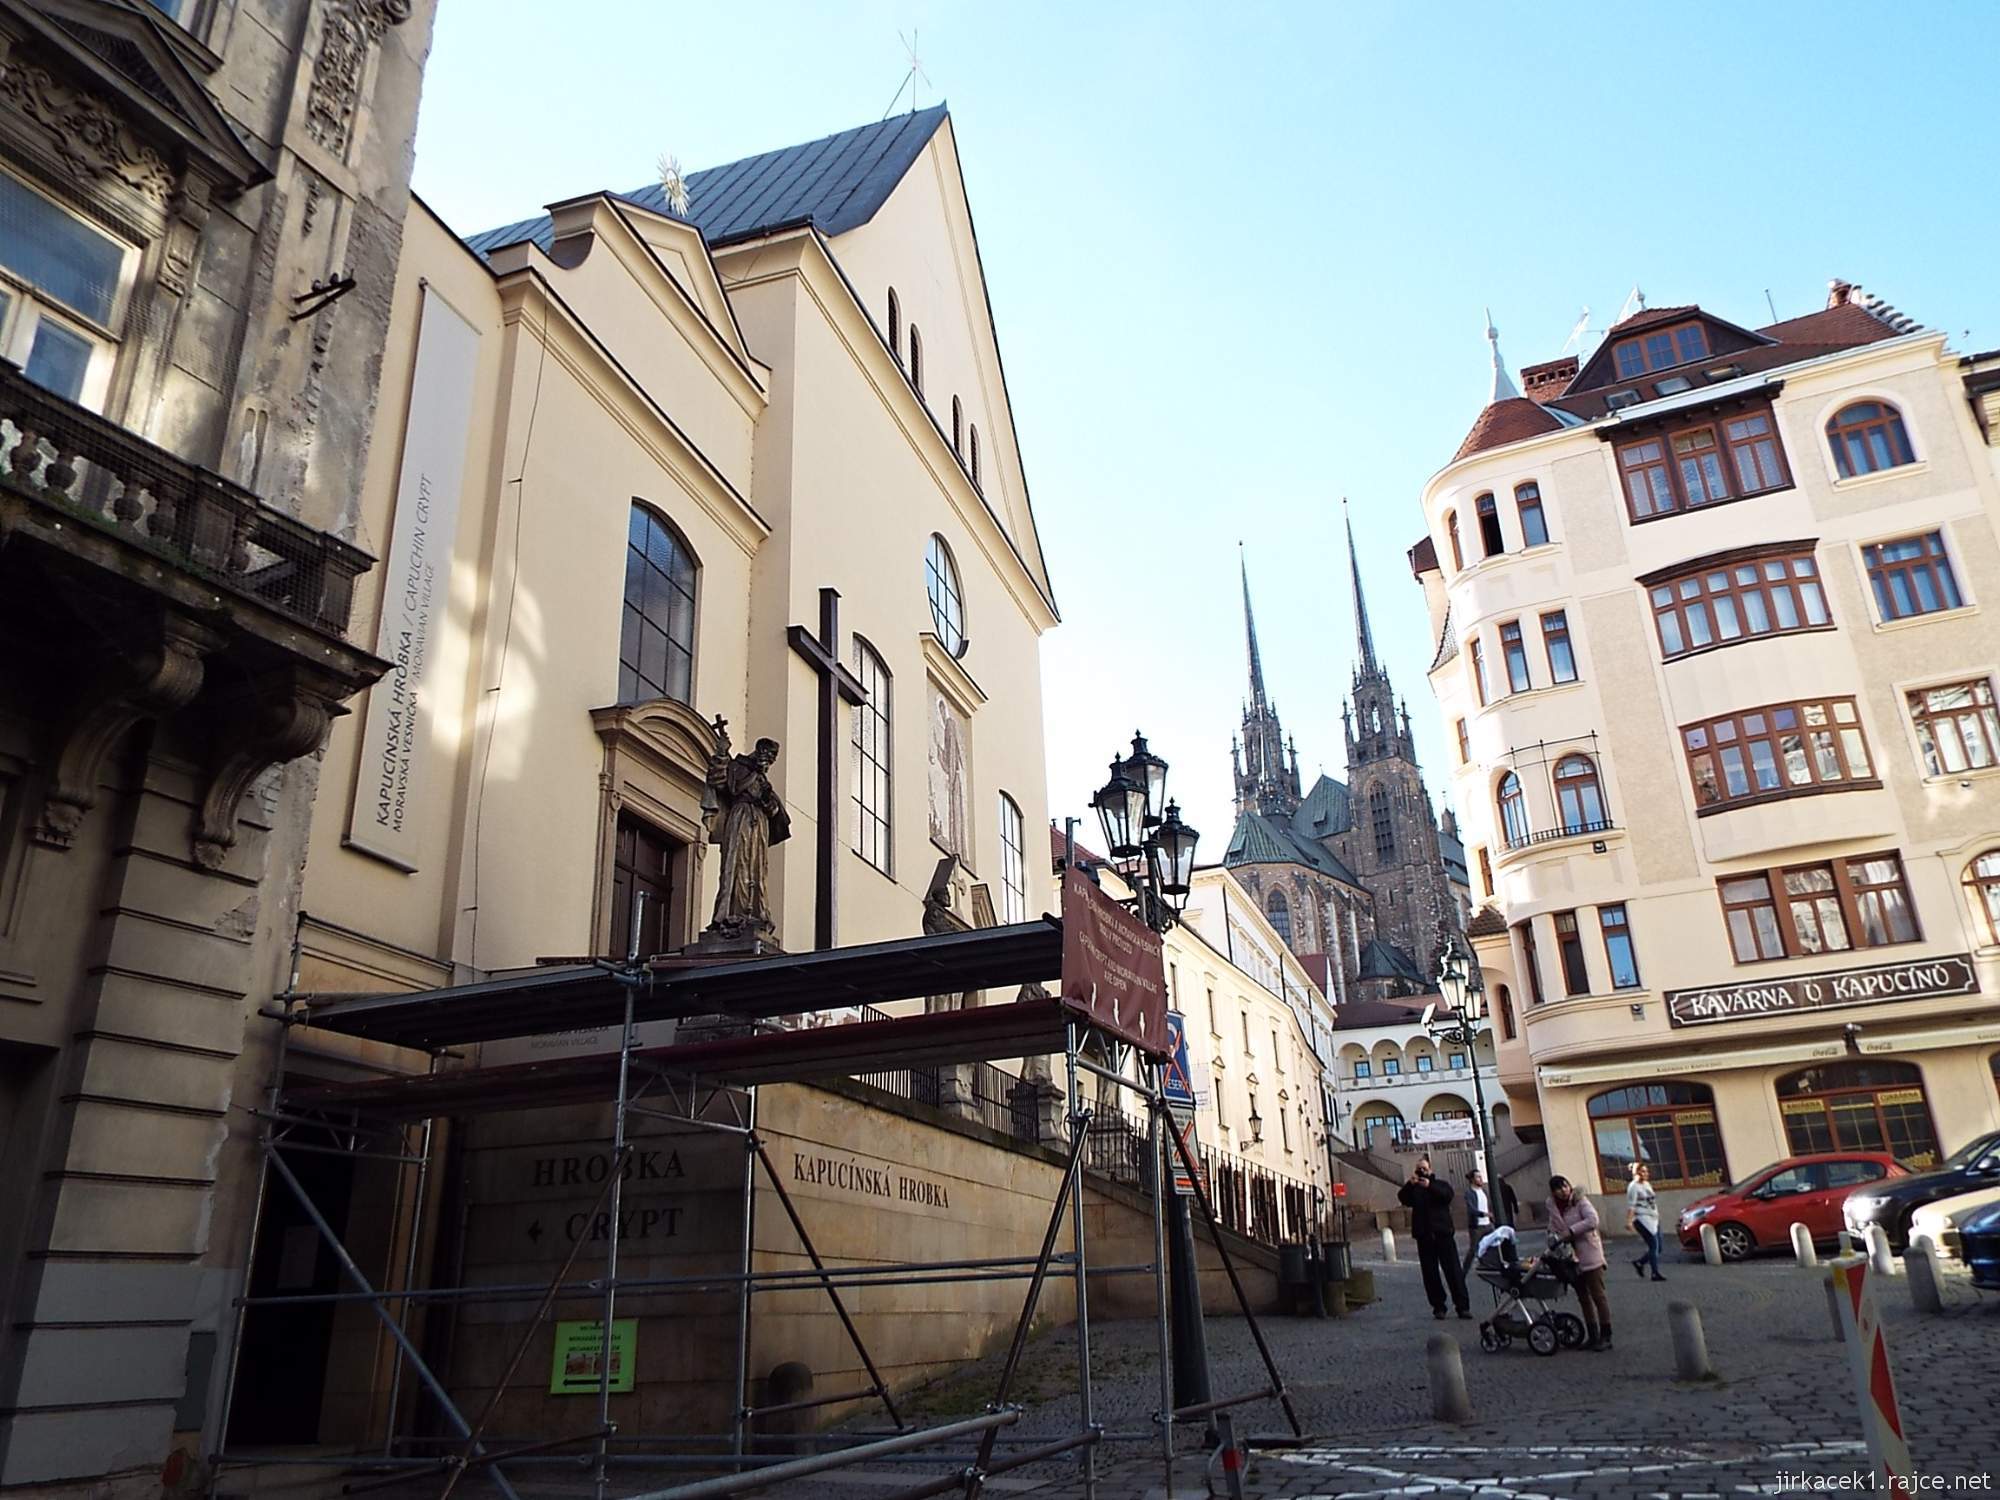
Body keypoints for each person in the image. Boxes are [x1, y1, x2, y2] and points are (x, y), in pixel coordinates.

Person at [1397, 1156, 1470, 1320]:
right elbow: (1402, 1198)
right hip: (1424, 1236)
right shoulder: (1414, 1189)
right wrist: (1410, 1183)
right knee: (1430, 1274)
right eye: (1419, 1168)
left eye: (1424, 1168)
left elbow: (1447, 1195)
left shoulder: (1440, 1185)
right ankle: (1438, 1307)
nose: (1422, 1171)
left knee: (1453, 1271)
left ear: (1431, 1170)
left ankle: (1462, 1306)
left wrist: (1430, 1186)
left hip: (1443, 1234)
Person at [1547, 1175, 1611, 1350]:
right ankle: (1593, 1335)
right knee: (1583, 1297)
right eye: (1559, 1189)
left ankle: (1606, 1336)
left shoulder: (1580, 1201)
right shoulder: (1554, 1207)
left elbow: (1593, 1220)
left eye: (1565, 1186)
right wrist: (1552, 1236)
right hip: (1571, 1258)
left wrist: (1570, 1231)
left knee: (1598, 1295)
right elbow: (1553, 1226)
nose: (1563, 1190)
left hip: (1589, 1253)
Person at [1626, 1162, 1666, 1282]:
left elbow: (1652, 1201)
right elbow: (1631, 1206)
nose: (1646, 1174)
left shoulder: (1647, 1184)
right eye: (1643, 1171)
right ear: (1636, 1173)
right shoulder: (1633, 1187)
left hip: (1653, 1217)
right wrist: (1629, 1222)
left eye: (1646, 1171)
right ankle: (1655, 1273)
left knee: (1659, 1247)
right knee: (1653, 1245)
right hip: (1642, 1218)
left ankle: (1640, 1262)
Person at [1461, 1168, 1494, 1274]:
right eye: (1478, 1177)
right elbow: (1471, 1209)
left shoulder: (1484, 1191)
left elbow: (1487, 1205)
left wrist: (1490, 1215)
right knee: (1473, 1249)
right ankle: (1463, 1272)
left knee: (1493, 1244)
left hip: (1488, 1224)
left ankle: (1487, 1264)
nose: (1481, 1179)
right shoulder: (1469, 1193)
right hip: (1477, 1226)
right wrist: (1483, 1214)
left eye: (1481, 1176)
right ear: (1472, 1179)